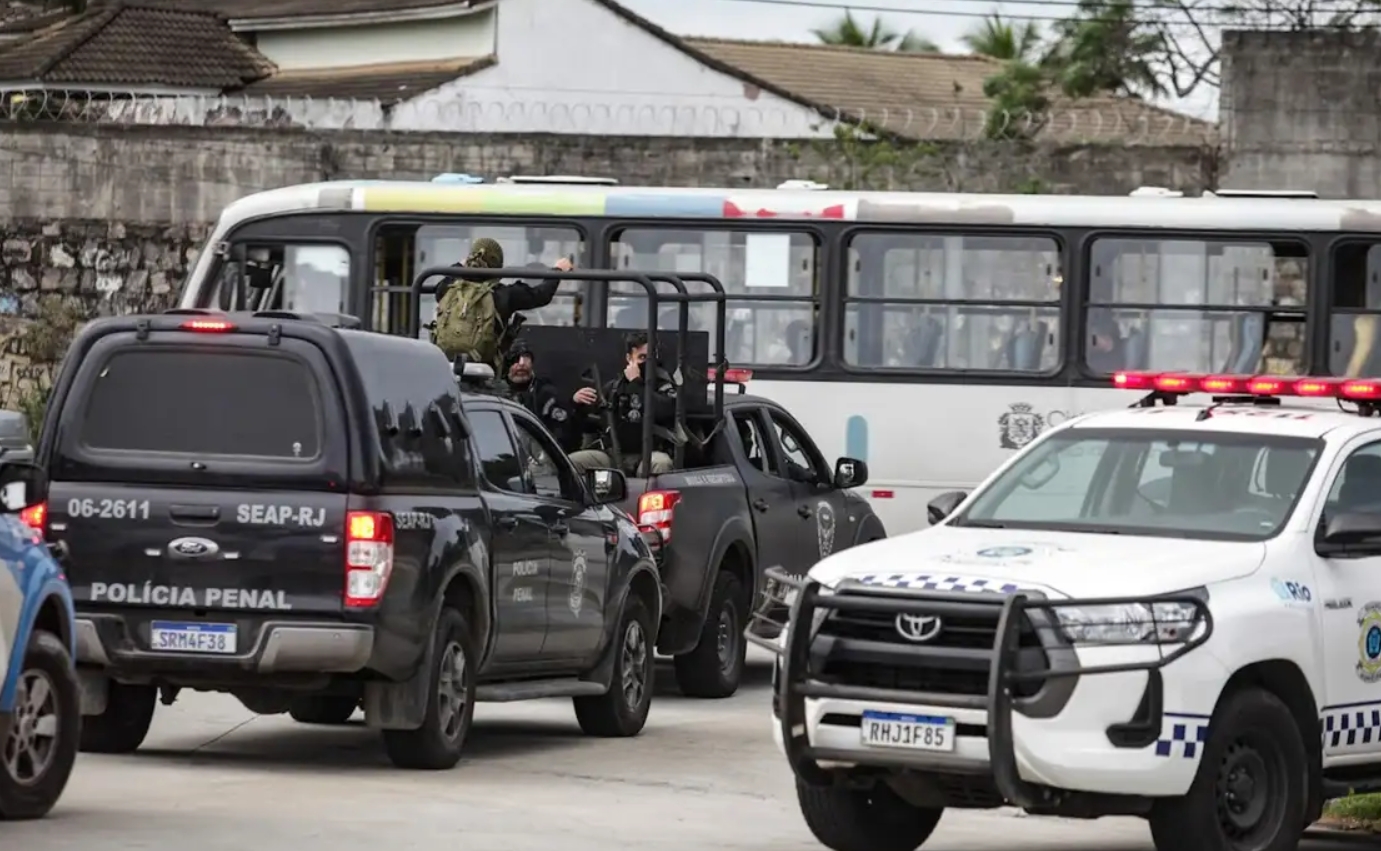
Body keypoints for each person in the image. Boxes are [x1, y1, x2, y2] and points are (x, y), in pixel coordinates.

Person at [431, 238, 573, 374]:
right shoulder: (505, 294)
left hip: (443, 365)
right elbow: (542, 295)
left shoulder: (447, 287)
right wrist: (558, 270)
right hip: (486, 369)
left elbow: (448, 278)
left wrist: (461, 266)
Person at [569, 332, 676, 477]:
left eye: (650, 357)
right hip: (613, 455)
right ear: (629, 359)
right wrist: (577, 403)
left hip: (648, 455)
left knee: (662, 463)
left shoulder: (662, 384)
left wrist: (636, 384)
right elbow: (591, 422)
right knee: (571, 462)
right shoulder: (614, 387)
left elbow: (665, 410)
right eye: (642, 357)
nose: (646, 363)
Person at [502, 339, 580, 453]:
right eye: (516, 358)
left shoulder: (545, 393)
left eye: (526, 357)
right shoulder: (495, 392)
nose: (522, 363)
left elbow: (562, 436)